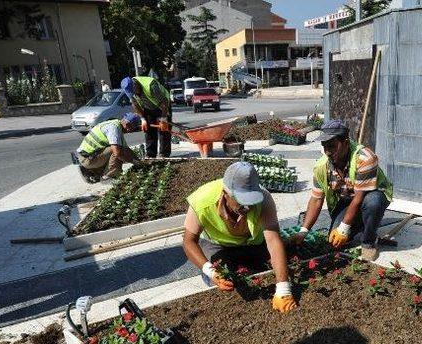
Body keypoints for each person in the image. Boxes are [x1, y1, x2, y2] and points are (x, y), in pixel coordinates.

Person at [182, 162, 296, 313]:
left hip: (252, 242)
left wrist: (283, 289)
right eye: (242, 201)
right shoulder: (202, 200)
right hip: (218, 244)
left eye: (251, 201)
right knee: (225, 278)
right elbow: (188, 241)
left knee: (284, 260)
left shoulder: (265, 199)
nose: (247, 207)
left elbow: (273, 240)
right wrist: (210, 271)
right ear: (225, 193)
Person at [291, 120, 393, 261]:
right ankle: (363, 223)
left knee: (373, 202)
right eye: (324, 146)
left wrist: (344, 228)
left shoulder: (364, 158)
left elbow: (359, 198)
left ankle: (369, 241)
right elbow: (316, 200)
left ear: (345, 142)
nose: (327, 151)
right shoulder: (322, 166)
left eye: (332, 146)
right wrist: (303, 231)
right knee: (335, 241)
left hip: (370, 194)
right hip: (346, 200)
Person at [76, 112, 141, 183]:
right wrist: (133, 161)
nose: (130, 131)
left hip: (87, 156)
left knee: (119, 149)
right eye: (131, 128)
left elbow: (127, 149)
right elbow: (117, 153)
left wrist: (139, 162)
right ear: (127, 124)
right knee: (117, 151)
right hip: (87, 159)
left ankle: (92, 172)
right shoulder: (114, 128)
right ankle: (109, 176)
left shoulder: (115, 124)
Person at [120, 76, 172, 159]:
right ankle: (151, 155)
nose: (134, 94)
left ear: (135, 85)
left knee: (164, 130)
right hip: (148, 108)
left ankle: (164, 155)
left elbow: (164, 101)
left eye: (134, 91)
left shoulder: (150, 85)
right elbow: (135, 104)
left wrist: (164, 118)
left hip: (162, 106)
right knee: (149, 130)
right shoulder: (130, 91)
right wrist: (143, 119)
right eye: (132, 93)